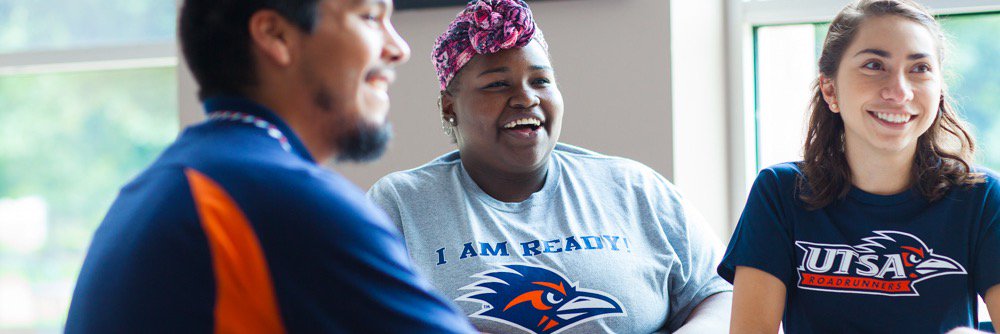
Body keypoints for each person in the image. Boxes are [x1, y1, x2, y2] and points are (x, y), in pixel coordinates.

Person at [65, 0, 477, 332]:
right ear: (275, 36)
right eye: (369, 16)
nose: (399, 49)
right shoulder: (282, 200)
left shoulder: (162, 186)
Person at [366, 1, 732, 332]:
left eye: (540, 80)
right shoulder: (401, 204)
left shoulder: (634, 188)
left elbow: (722, 294)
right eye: (497, 84)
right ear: (449, 107)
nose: (526, 97)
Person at [717, 0, 1000, 333]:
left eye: (919, 68)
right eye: (873, 65)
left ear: (938, 91)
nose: (899, 91)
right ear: (830, 89)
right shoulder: (779, 192)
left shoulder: (981, 198)